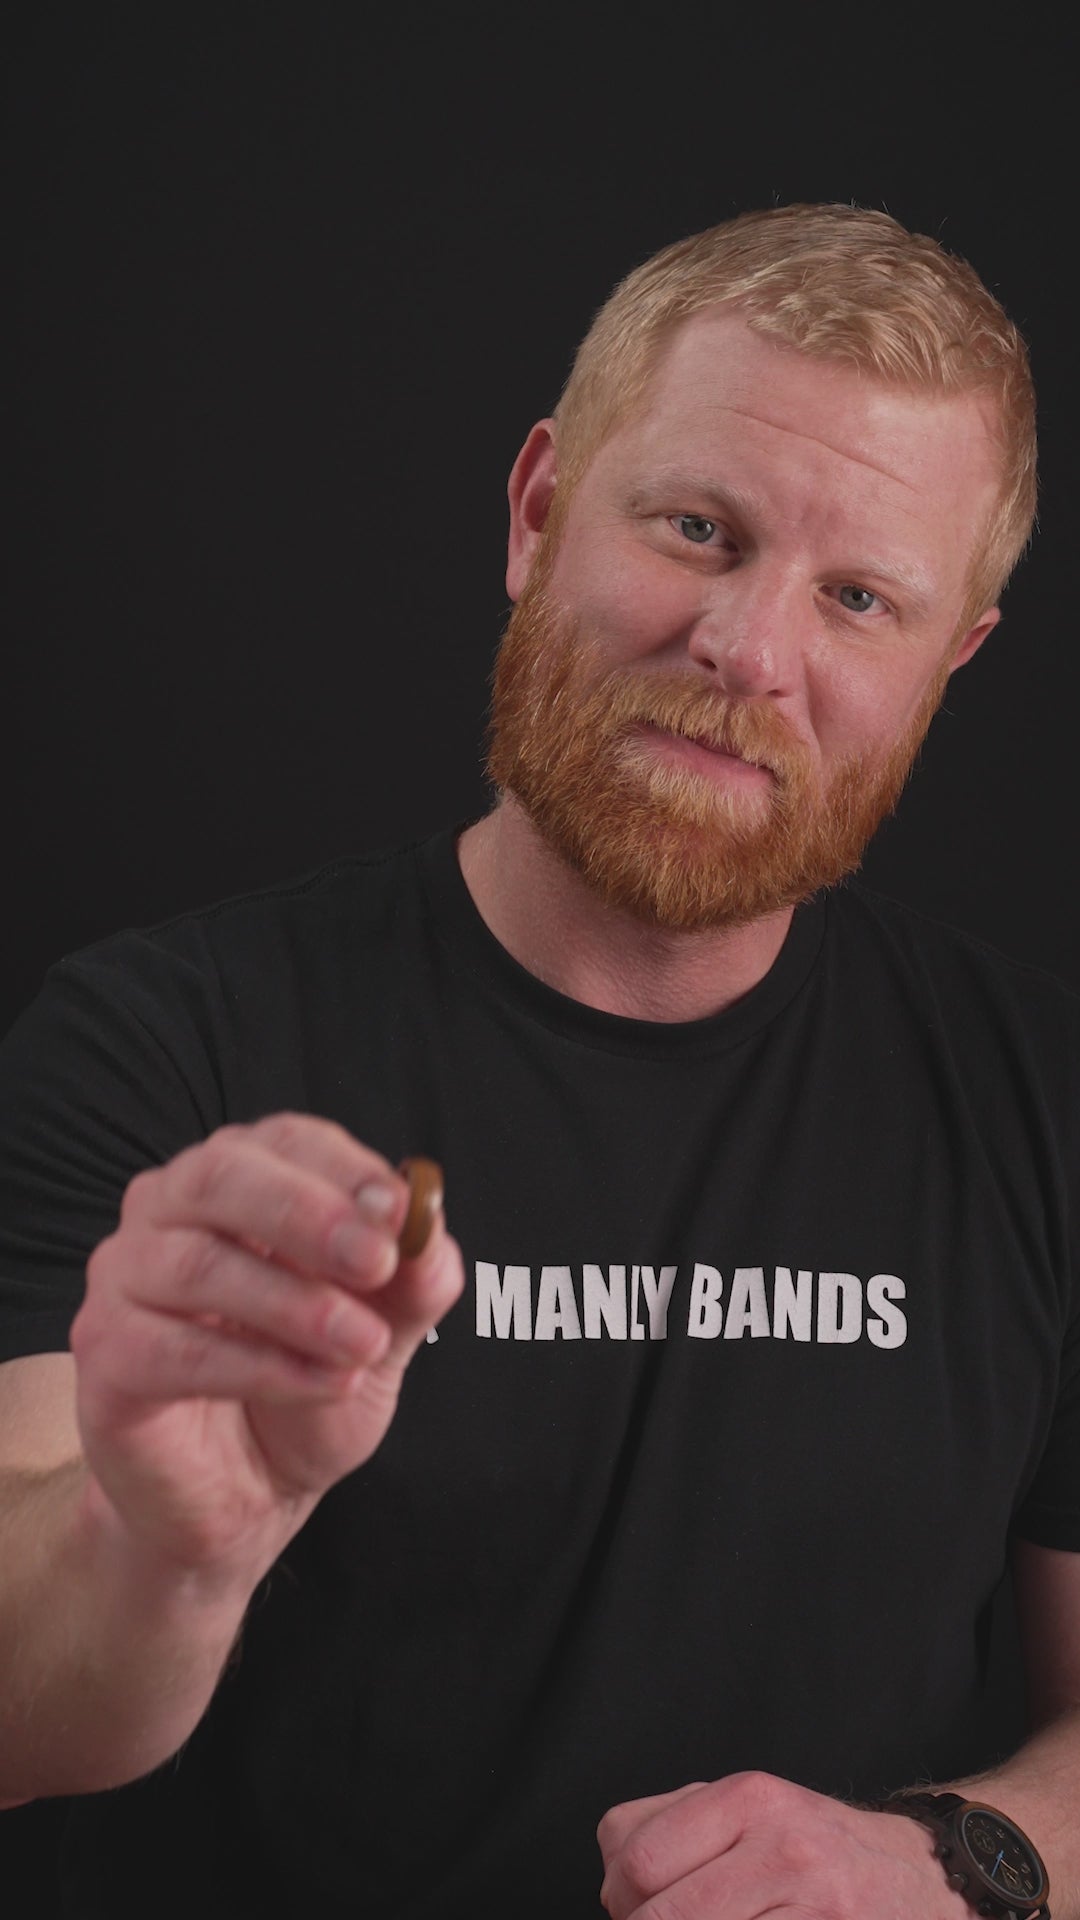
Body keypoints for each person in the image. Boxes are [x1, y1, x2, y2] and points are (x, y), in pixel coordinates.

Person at [0, 201, 1076, 1920]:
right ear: (538, 511)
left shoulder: (1043, 1099)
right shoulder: (166, 1040)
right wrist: (160, 1556)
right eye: (699, 528)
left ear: (948, 666)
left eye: (861, 598)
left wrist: (957, 1860)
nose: (749, 652)